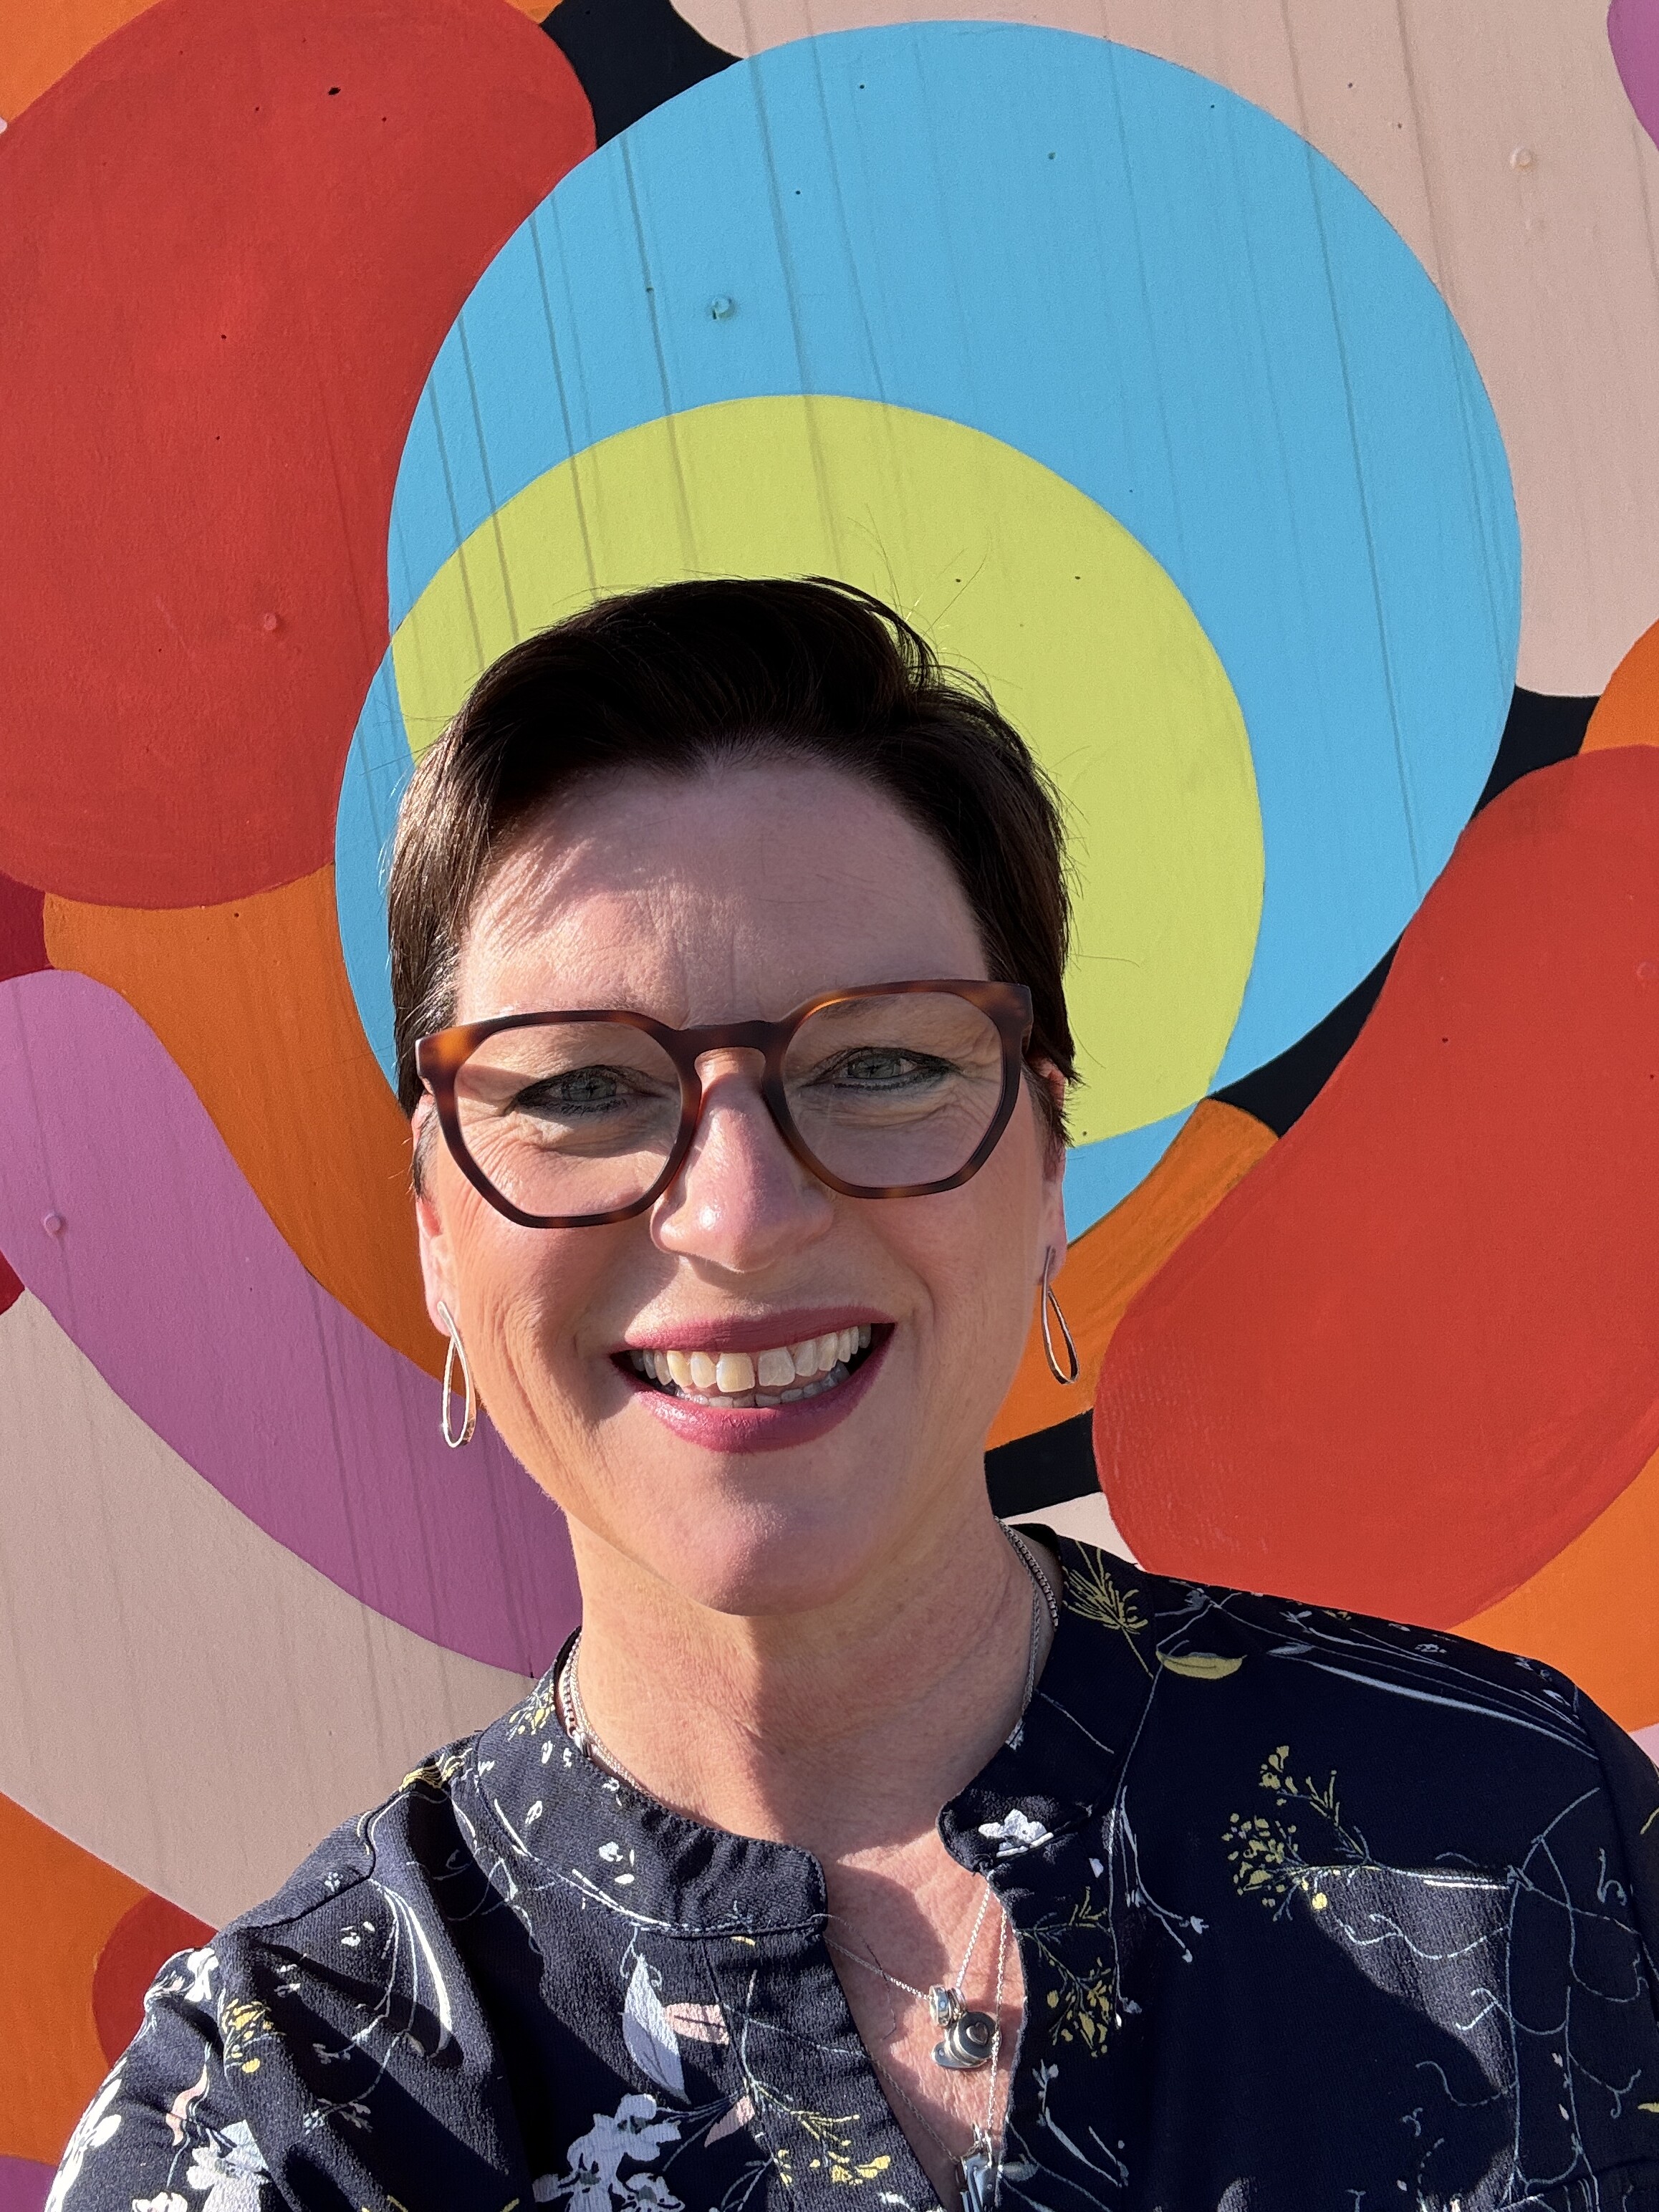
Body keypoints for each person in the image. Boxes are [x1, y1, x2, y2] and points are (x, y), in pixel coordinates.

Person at [55, 578, 1659, 2212]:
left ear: (1046, 1166)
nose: (741, 1211)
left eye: (882, 1062)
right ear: (436, 1233)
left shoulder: (1528, 1842)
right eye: (585, 1086)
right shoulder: (283, 2109)